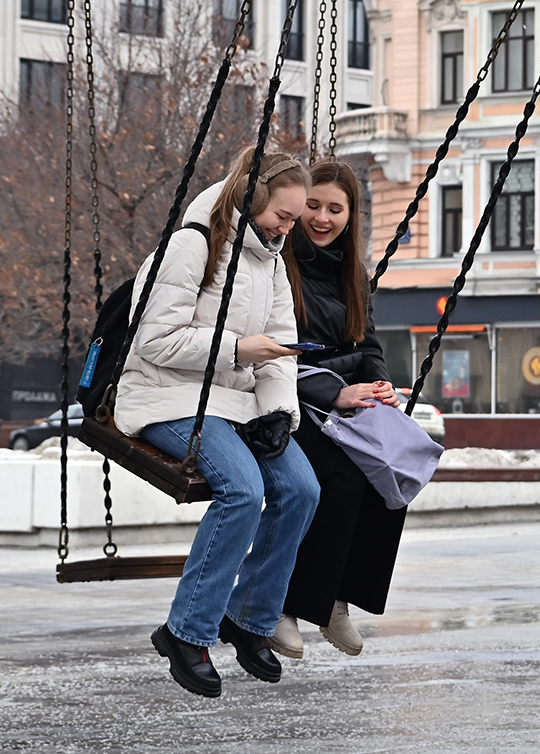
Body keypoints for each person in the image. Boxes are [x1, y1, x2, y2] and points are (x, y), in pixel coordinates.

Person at [113, 147, 321, 698]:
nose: (288, 228)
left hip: (235, 400)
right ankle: (187, 632)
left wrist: (279, 410)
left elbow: (278, 351)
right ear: (252, 201)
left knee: (302, 488)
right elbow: (153, 340)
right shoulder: (192, 246)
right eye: (282, 215)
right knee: (243, 490)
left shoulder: (272, 259)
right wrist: (235, 349)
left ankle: (249, 619)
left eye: (294, 219)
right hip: (165, 396)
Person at [271, 159, 403, 659]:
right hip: (289, 401)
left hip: (343, 403)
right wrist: (335, 391)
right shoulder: (279, 265)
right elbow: (280, 351)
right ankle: (286, 601)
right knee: (342, 478)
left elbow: (368, 344)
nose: (322, 218)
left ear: (350, 216)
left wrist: (381, 385)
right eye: (313, 206)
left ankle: (336, 601)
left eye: (335, 208)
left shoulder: (354, 272)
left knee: (391, 475)